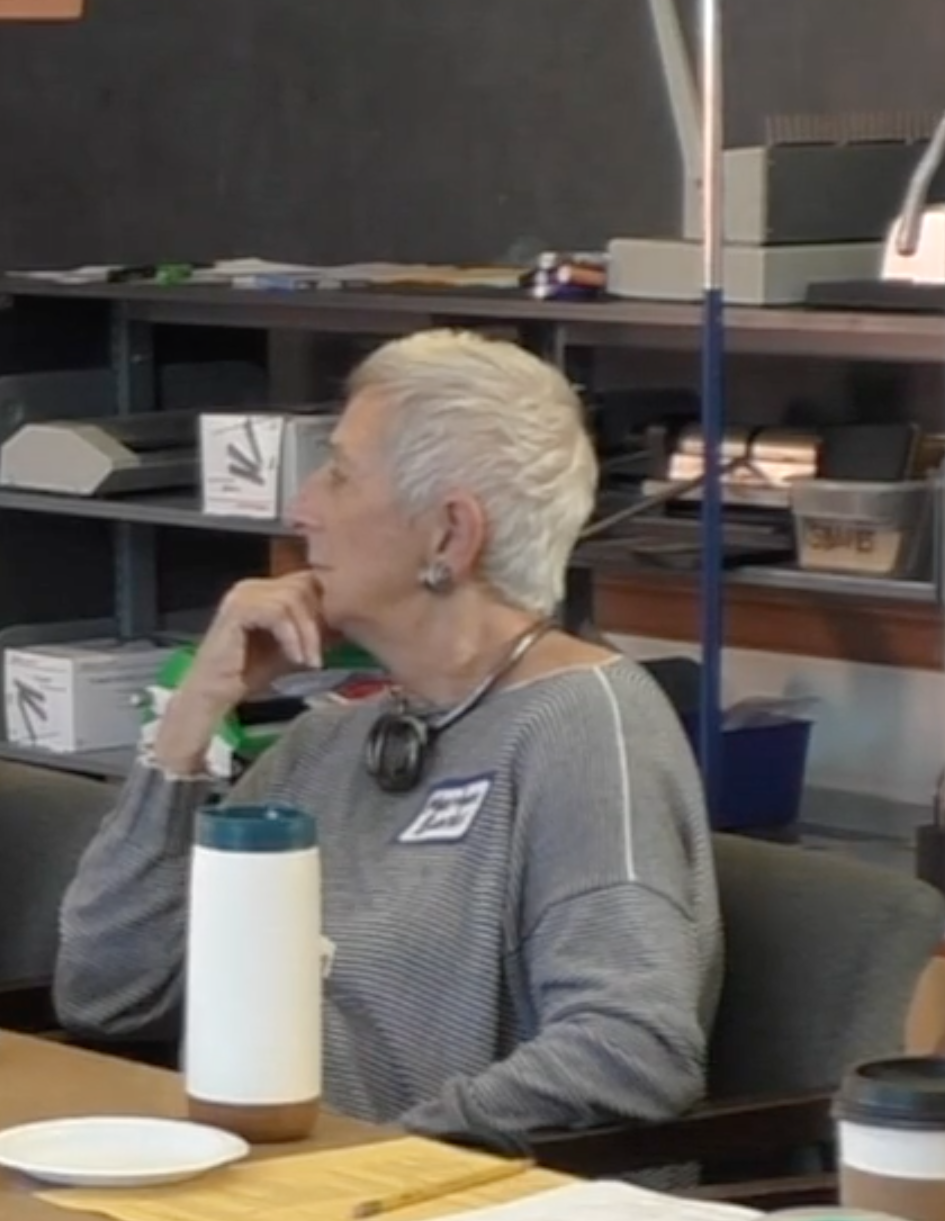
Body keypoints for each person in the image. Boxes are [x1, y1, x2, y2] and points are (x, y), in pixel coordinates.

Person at [55, 329, 722, 1148]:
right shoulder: (330, 739)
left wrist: (378, 1161)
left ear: (449, 534)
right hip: (264, 1201)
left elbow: (630, 1049)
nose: (301, 509)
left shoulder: (583, 725)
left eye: (336, 473)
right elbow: (106, 993)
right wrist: (188, 725)